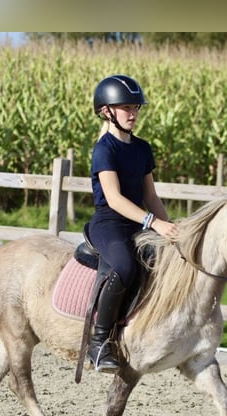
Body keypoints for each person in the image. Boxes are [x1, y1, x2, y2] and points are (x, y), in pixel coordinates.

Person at [87, 74, 179, 373]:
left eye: (136, 107)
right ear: (107, 111)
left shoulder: (142, 148)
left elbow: (150, 196)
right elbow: (113, 198)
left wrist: (172, 229)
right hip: (109, 223)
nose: (134, 113)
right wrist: (154, 223)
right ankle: (99, 343)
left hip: (139, 221)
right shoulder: (105, 149)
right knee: (125, 266)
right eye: (126, 107)